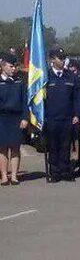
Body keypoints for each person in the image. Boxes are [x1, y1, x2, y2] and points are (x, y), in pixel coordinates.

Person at [44, 49, 80, 182]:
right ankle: (55, 172)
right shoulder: (46, 77)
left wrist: (77, 113)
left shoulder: (70, 76)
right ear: (52, 60)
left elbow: (77, 97)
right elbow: (41, 99)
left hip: (67, 117)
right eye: (60, 58)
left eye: (64, 58)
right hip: (52, 117)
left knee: (66, 146)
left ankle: (65, 171)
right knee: (53, 146)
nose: (63, 60)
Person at [0, 54, 27, 185]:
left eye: (14, 66)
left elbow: (24, 102)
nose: (13, 68)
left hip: (16, 118)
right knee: (2, 148)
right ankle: (4, 176)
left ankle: (14, 176)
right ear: (3, 66)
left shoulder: (19, 81)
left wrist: (25, 118)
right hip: (2, 118)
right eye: (11, 66)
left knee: (15, 147)